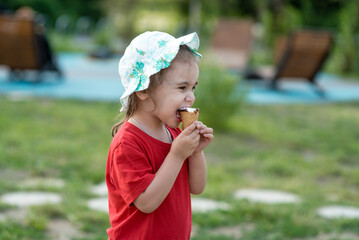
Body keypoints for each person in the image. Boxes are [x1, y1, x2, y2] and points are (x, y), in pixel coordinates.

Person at [105, 31, 214, 239]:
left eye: (193, 88)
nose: (190, 97)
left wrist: (195, 152)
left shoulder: (173, 133)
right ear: (143, 89)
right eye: (182, 87)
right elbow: (146, 203)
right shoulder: (128, 143)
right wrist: (177, 155)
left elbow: (197, 187)